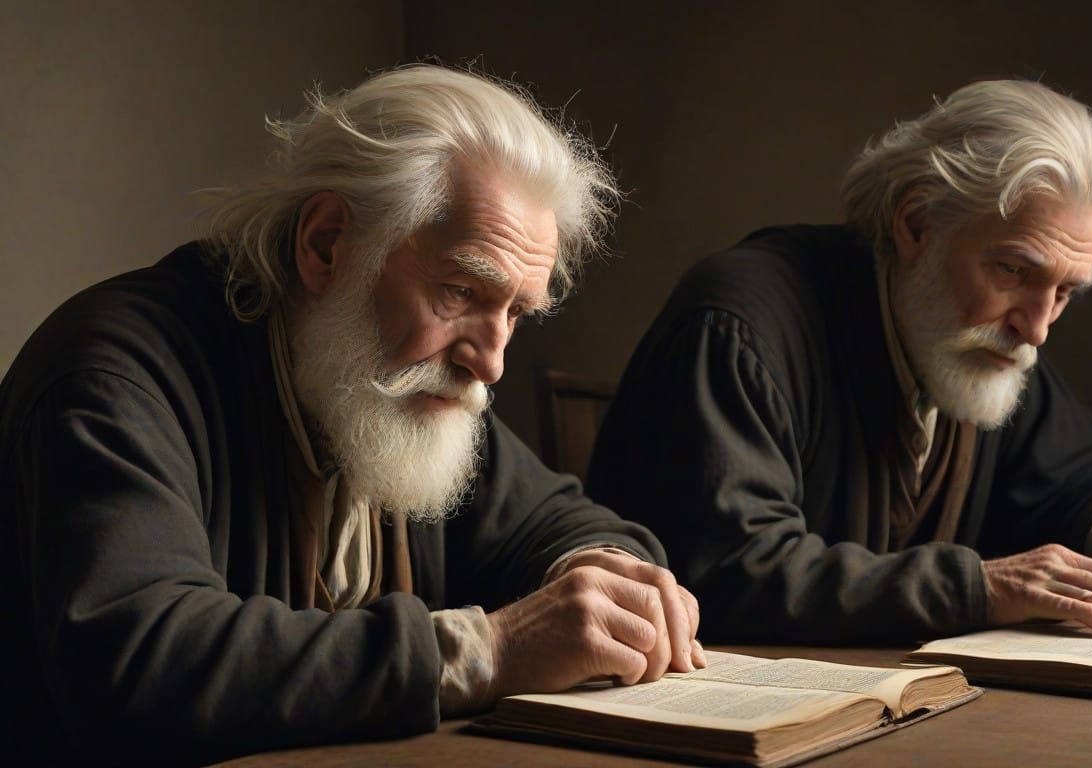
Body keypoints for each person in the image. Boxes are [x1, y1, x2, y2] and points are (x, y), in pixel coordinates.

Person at [0, 65, 704, 765]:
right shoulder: (110, 375)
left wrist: (607, 579)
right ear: (326, 244)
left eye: (516, 312)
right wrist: (493, 650)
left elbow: (559, 521)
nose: (490, 363)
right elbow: (141, 663)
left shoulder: (400, 388)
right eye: (461, 290)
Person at [587, 80, 1092, 648]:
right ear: (916, 223)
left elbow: (1084, 472)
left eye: (1064, 292)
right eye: (1013, 270)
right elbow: (729, 571)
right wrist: (980, 587)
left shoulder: (984, 342)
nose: (1037, 327)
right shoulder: (740, 323)